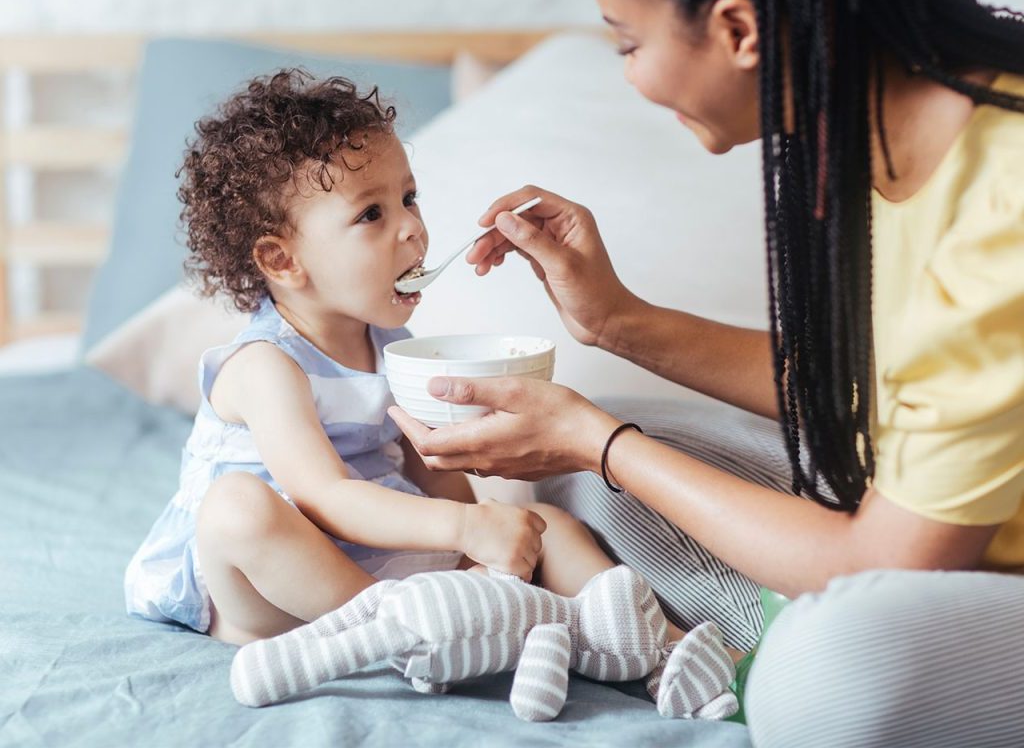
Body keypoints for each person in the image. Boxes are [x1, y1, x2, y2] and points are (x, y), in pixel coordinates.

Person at [387, 0, 1024, 745]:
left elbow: (887, 564)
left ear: (738, 30)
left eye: (627, 43)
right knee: (577, 481)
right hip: (936, 519)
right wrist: (614, 322)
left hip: (930, 556)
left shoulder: (1003, 204)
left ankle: (770, 638)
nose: (628, 74)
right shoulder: (878, 130)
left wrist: (600, 443)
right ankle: (765, 611)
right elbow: (875, 390)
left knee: (824, 674)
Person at [121, 70, 693, 676]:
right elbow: (326, 496)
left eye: (409, 198)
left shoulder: (395, 349)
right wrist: (464, 527)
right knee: (236, 509)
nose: (413, 227)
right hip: (275, 589)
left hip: (379, 563)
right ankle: (410, 633)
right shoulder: (266, 365)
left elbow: (432, 470)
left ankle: (666, 649)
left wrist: (484, 542)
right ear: (282, 260)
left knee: (545, 525)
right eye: (371, 213)